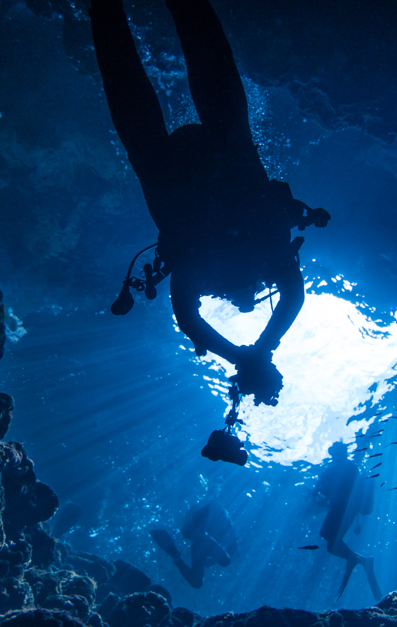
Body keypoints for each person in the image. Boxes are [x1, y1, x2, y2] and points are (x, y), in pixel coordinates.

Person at [91, 0, 330, 406]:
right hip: (185, 177)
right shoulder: (235, 267)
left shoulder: (269, 260)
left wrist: (255, 351)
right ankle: (105, 10)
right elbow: (189, 318)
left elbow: (290, 299)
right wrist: (245, 355)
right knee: (133, 97)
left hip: (215, 166)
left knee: (206, 81)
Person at [315, 442, 382, 602]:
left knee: (330, 541)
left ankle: (359, 560)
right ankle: (360, 560)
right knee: (330, 543)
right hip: (345, 510)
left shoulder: (342, 469)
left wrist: (322, 491)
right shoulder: (350, 468)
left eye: (334, 453)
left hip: (343, 510)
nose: (333, 456)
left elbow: (330, 489)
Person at [149, 501, 237, 589]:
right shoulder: (214, 524)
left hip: (200, 542)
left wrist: (211, 560)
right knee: (198, 580)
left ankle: (176, 556)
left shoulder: (198, 536)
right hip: (202, 539)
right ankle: (176, 556)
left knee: (197, 582)